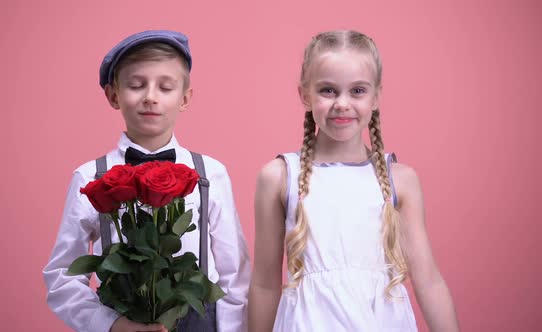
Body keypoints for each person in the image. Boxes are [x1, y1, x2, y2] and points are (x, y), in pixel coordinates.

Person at [248, 30, 459, 331]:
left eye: (357, 91)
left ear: (376, 97)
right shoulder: (279, 176)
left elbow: (429, 282)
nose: (342, 104)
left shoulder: (401, 179)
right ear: (305, 95)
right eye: (328, 90)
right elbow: (265, 284)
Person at [44, 30, 251, 332]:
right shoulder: (89, 176)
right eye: (136, 85)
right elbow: (62, 275)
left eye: (165, 87)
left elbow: (236, 273)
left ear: (185, 98)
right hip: (122, 321)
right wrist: (111, 325)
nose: (150, 97)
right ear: (113, 95)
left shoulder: (211, 173)